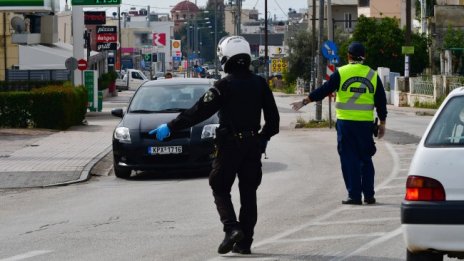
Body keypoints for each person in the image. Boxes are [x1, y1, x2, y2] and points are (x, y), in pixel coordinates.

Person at [149, 35, 280, 254]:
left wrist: (171, 127)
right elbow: (273, 122)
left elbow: (198, 111)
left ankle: (231, 228)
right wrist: (261, 139)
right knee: (249, 194)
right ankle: (245, 244)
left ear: (225, 57)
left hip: (229, 145)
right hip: (251, 146)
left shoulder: (224, 85)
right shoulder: (260, 84)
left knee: (219, 185)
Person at [291, 41, 387, 205]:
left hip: (346, 124)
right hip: (365, 125)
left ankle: (354, 196)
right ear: (364, 57)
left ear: (348, 56)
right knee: (365, 159)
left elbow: (324, 90)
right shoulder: (372, 75)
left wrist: (305, 101)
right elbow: (381, 101)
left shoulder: (341, 73)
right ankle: (369, 195)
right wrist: (382, 123)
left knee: (349, 160)